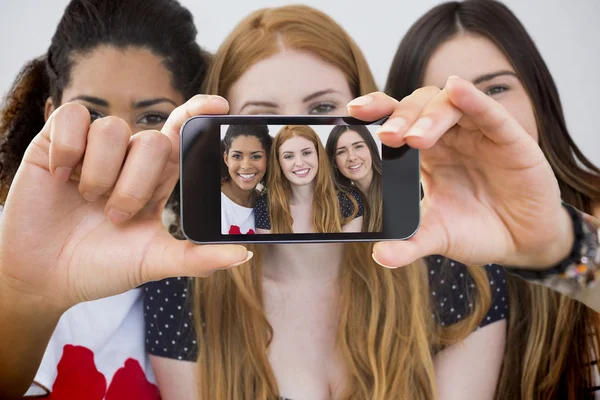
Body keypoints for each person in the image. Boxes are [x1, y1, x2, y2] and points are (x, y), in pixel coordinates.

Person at [144, 5, 506, 400]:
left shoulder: (454, 272)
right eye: (264, 117)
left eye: (321, 109)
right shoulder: (180, 292)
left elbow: (578, 267)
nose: (299, 136)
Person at [382, 1, 600, 398]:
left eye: (496, 88)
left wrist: (561, 248)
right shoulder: (401, 252)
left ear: (538, 96)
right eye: (445, 106)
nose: (477, 116)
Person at [0, 0, 215, 397]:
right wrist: (25, 293)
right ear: (52, 117)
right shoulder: (10, 250)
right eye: (93, 117)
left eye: (152, 118)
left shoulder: (216, 262)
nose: (119, 143)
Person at [254, 124, 363, 234]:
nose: (300, 163)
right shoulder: (266, 205)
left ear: (318, 155)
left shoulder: (348, 200)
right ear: (278, 162)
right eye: (288, 156)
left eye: (306, 153)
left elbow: (349, 250)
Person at [325, 124, 382, 232]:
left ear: (371, 148)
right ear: (334, 162)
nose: (351, 157)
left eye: (358, 146)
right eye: (341, 152)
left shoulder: (394, 187)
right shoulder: (345, 200)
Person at [220, 124, 272, 235]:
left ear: (267, 159)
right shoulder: (211, 201)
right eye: (237, 156)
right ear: (226, 159)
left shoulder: (266, 203)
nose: (246, 166)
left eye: (256, 156)